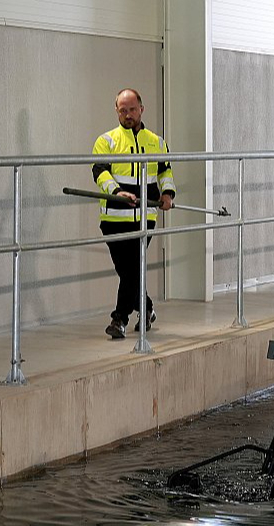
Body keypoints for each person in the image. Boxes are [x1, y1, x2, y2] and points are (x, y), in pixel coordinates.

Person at [91, 88, 176, 339]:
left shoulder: (157, 142)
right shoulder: (105, 141)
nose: (127, 114)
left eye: (132, 109)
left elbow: (165, 172)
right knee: (128, 271)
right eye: (122, 110)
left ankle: (119, 319)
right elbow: (99, 172)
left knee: (131, 269)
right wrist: (117, 191)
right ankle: (146, 308)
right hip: (114, 218)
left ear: (141, 109)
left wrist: (168, 194)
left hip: (144, 217)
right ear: (117, 112)